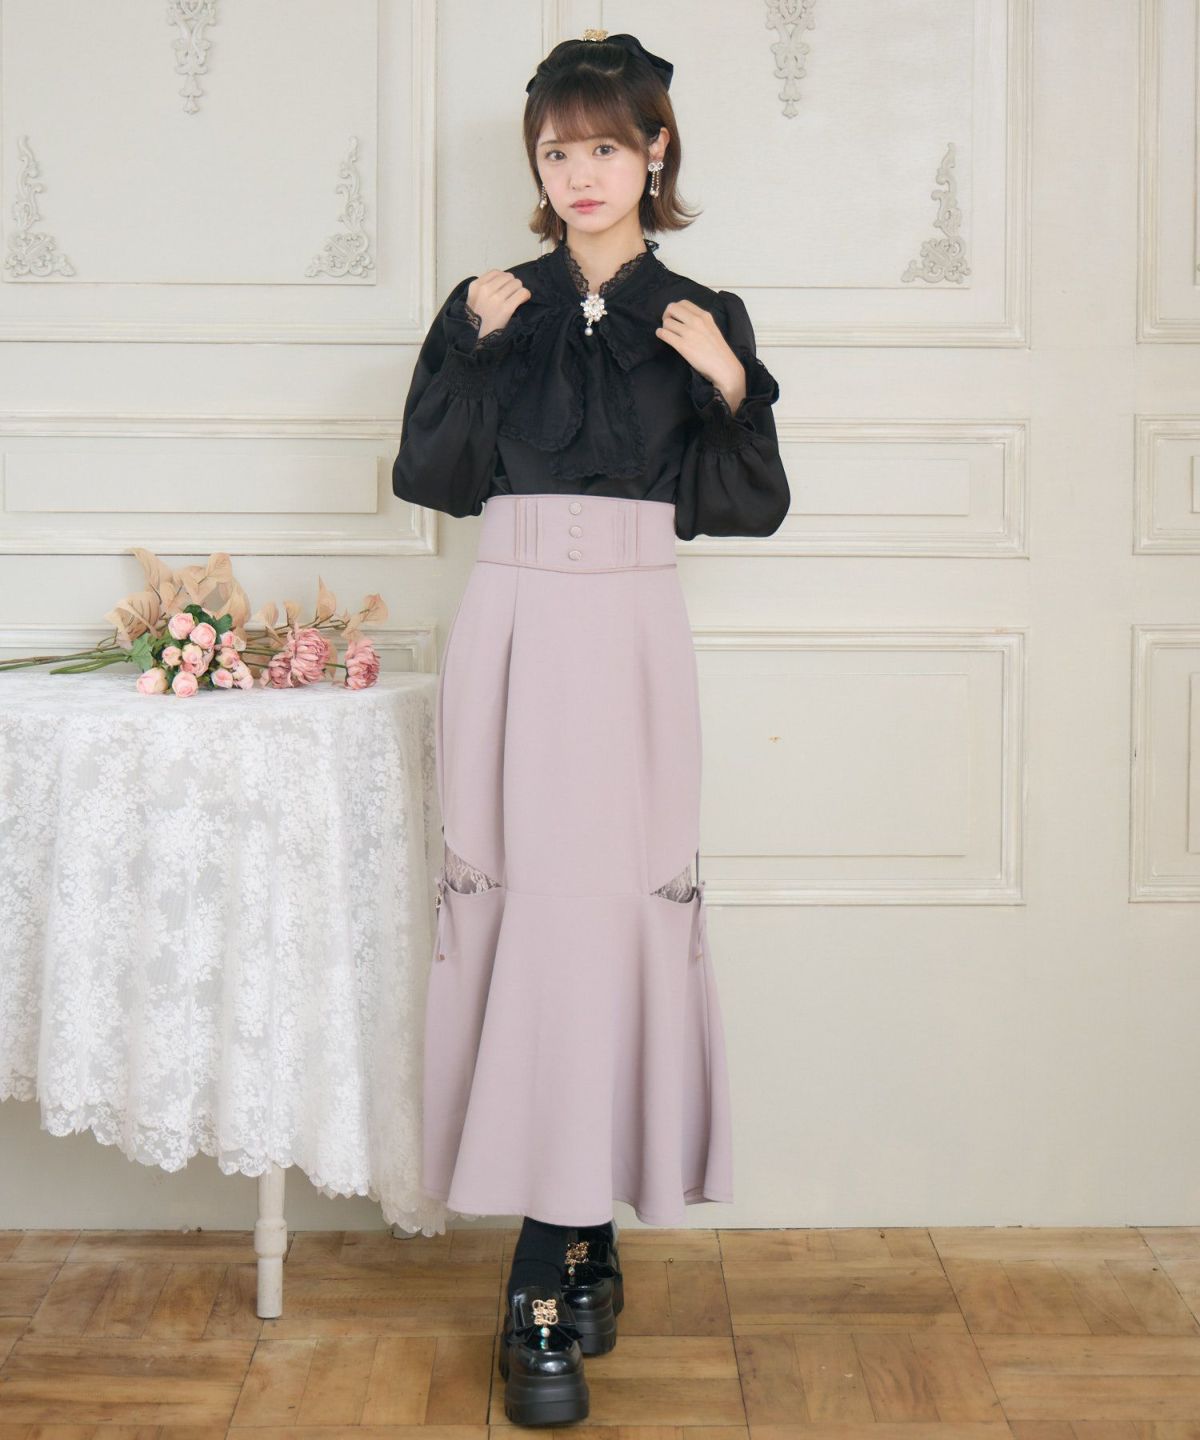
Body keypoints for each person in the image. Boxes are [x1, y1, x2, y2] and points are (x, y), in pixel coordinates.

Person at [392, 30, 790, 1428]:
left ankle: (551, 1274)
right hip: (510, 625)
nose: (581, 173)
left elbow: (747, 507)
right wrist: (467, 343)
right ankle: (567, 1257)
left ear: (654, 151)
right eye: (558, 150)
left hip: (628, 635)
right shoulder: (489, 303)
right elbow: (432, 477)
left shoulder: (703, 313)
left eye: (606, 147)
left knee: (610, 919)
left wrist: (730, 383)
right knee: (515, 914)